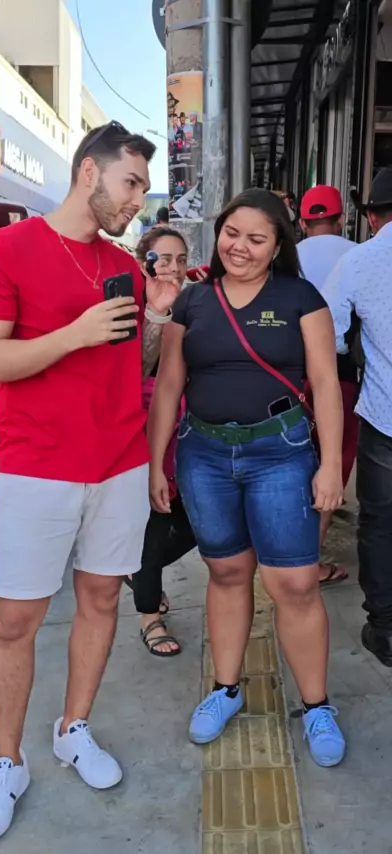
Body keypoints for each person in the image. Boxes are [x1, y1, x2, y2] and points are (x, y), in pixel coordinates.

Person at [0, 121, 181, 842]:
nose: (138, 200)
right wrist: (73, 334)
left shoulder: (122, 264)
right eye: (131, 183)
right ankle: (6, 762)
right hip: (36, 466)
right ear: (90, 172)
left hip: (118, 463)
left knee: (102, 600)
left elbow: (132, 365)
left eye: (143, 187)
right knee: (15, 620)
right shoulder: (5, 250)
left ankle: (72, 728)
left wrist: (155, 316)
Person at [148, 188, 346, 768]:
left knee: (296, 585)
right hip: (204, 455)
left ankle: (316, 706)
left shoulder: (300, 297)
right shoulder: (193, 300)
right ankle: (225, 689)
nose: (240, 247)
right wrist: (157, 461)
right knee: (227, 572)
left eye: (257, 239)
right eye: (232, 233)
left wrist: (331, 464)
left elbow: (325, 384)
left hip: (280, 452)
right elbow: (169, 384)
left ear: (278, 245)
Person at [323, 167, 392, 667]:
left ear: (370, 216)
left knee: (380, 522)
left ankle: (385, 629)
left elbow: (329, 337)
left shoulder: (357, 261)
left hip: (384, 417)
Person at [124, 227, 196, 656]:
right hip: (144, 430)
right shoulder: (129, 305)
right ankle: (150, 616)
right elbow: (132, 369)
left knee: (195, 523)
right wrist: (156, 312)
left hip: (188, 430)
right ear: (143, 263)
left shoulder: (193, 300)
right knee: (153, 522)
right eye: (163, 259)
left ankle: (136, 571)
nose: (174, 267)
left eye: (181, 259)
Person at [298, 185, 358, 586]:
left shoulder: (286, 256)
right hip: (340, 372)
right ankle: (310, 561)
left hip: (290, 373)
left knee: (295, 461)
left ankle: (289, 553)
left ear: (303, 223)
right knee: (333, 459)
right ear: (340, 220)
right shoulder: (359, 254)